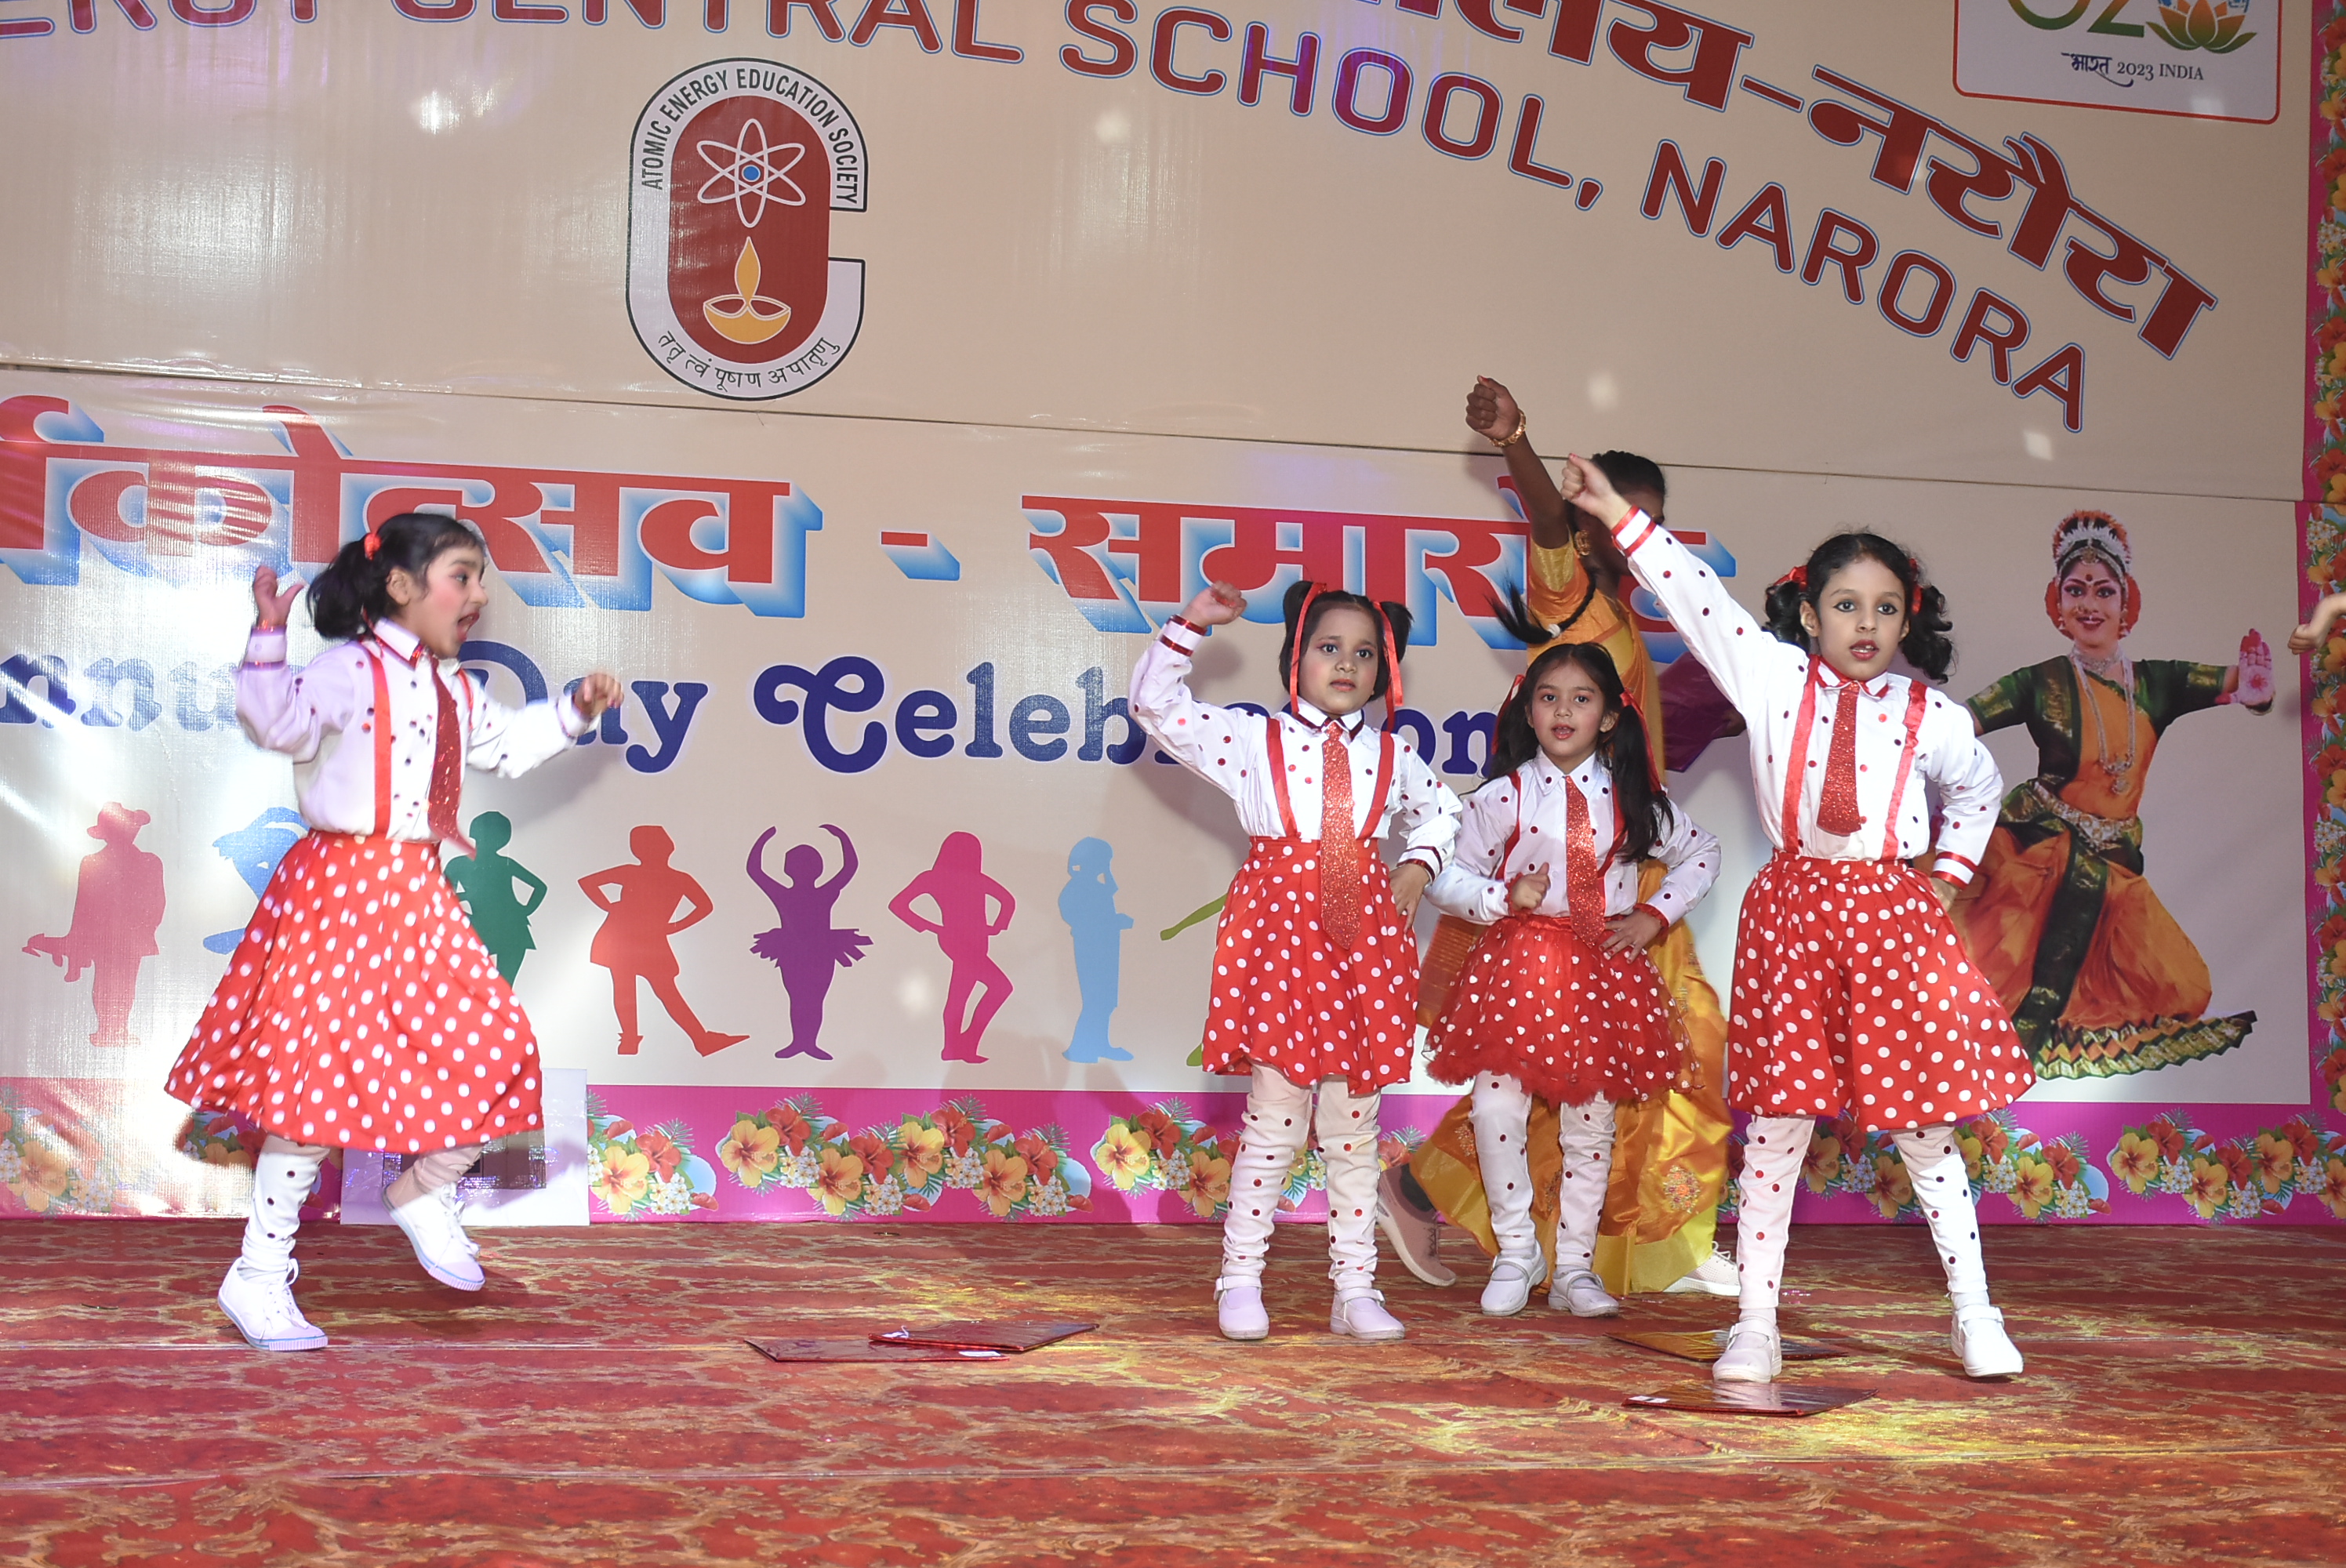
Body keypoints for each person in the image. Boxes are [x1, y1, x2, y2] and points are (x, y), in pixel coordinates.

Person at [1565, 456, 2034, 1383]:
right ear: (1811, 615)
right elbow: (1696, 597)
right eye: (1846, 605)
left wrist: (1944, 877)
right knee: (1779, 1125)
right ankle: (1755, 1323)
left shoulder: (1931, 713)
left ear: (1907, 620)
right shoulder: (1771, 675)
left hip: (1893, 923)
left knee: (1924, 1127)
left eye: (1885, 608)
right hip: (1795, 916)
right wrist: (1617, 512)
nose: (1866, 624)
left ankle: (1974, 1312)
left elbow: (1979, 789)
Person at [162, 512, 620, 1352]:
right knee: (311, 1088)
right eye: (462, 576)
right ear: (401, 586)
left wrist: (573, 710)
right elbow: (278, 724)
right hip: (337, 888)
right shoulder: (346, 669)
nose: (479, 594)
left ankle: (425, 1187)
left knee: (498, 1045)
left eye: (480, 578)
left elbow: (508, 747)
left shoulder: (455, 688)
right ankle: (259, 1273)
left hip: (415, 889)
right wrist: (268, 638)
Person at [1380, 377, 1738, 1304]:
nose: (1633, 531)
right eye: (1615, 514)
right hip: (1555, 908)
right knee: (1581, 1073)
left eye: (1647, 519)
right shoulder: (1572, 602)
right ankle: (1582, 1240)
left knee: (1614, 1076)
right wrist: (1519, 444)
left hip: (1626, 878)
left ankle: (1614, 1245)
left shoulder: (1625, 625)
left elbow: (1653, 764)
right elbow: (1545, 521)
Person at [1131, 579, 1462, 1343]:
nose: (1346, 663)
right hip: (1282, 939)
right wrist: (1192, 624)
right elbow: (1155, 705)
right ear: (1294, 658)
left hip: (1365, 946)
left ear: (1384, 671)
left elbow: (1444, 811)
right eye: (1328, 647)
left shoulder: (1392, 754)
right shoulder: (1254, 740)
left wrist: (1417, 864)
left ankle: (1356, 1287)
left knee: (1353, 1127)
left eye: (1365, 653)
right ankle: (1240, 1276)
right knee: (1276, 1117)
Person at [1424, 636, 1720, 1319]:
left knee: (1591, 1124)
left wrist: (1654, 914)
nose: (1563, 711)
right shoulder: (1503, 796)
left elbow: (1702, 851)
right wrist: (1500, 897)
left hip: (1604, 972)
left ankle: (1575, 1269)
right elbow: (1445, 875)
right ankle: (1515, 1250)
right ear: (1527, 711)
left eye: (1581, 699)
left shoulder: (1634, 798)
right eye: (1549, 698)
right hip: (1522, 967)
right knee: (1497, 1109)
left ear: (1609, 716)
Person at [1956, 511, 2274, 1078]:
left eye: (2104, 592)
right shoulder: (2039, 682)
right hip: (2039, 852)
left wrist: (2256, 689)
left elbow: (2243, 687)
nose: (2090, 605)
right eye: (2076, 591)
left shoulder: (2156, 683)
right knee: (1983, 967)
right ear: (2057, 605)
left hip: (2115, 864)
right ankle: (2014, 1046)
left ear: (2128, 605)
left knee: (2184, 988)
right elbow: (1959, 725)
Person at [580, 827, 748, 1058]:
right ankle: (650, 1039)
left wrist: (673, 926)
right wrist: (611, 907)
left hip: (642, 938)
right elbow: (588, 882)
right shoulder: (652, 875)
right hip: (627, 937)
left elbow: (705, 906)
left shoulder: (671, 877)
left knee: (645, 989)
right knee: (644, 989)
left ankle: (677, 1039)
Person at [24, 802, 166, 1047]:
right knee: (108, 982)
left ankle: (118, 1029)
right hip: (104, 937)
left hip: (131, 937)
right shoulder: (93, 863)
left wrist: (143, 929)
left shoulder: (149, 862)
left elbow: (157, 903)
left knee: (124, 983)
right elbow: (85, 906)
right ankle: (108, 1030)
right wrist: (80, 940)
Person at [889, 831, 1017, 1064]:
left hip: (974, 940)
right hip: (959, 941)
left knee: (960, 995)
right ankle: (966, 1043)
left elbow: (1007, 900)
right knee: (1000, 987)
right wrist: (930, 926)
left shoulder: (967, 879)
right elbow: (899, 905)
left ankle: (954, 1048)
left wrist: (998, 925)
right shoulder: (937, 878)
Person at [747, 823, 870, 1062]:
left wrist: (765, 839)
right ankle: (801, 1042)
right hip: (800, 951)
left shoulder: (807, 893)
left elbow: (755, 871)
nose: (803, 869)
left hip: (817, 951)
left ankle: (808, 1043)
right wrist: (841, 838)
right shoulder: (811, 893)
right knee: (802, 997)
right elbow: (849, 869)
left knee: (811, 998)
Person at [444, 811, 548, 983]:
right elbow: (444, 897)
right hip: (485, 927)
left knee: (503, 985)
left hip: (510, 929)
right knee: (479, 983)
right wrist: (466, 902)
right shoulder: (460, 864)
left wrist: (525, 911)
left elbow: (540, 887)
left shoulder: (504, 864)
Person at [1059, 837, 1135, 1063]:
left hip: (1107, 947)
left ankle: (1100, 1044)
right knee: (1095, 1000)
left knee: (1107, 1000)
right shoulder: (1078, 887)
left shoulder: (1097, 886)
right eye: (1103, 861)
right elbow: (1080, 918)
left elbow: (1112, 889)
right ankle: (1082, 1048)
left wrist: (1107, 872)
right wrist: (1115, 922)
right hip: (1091, 948)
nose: (1105, 866)